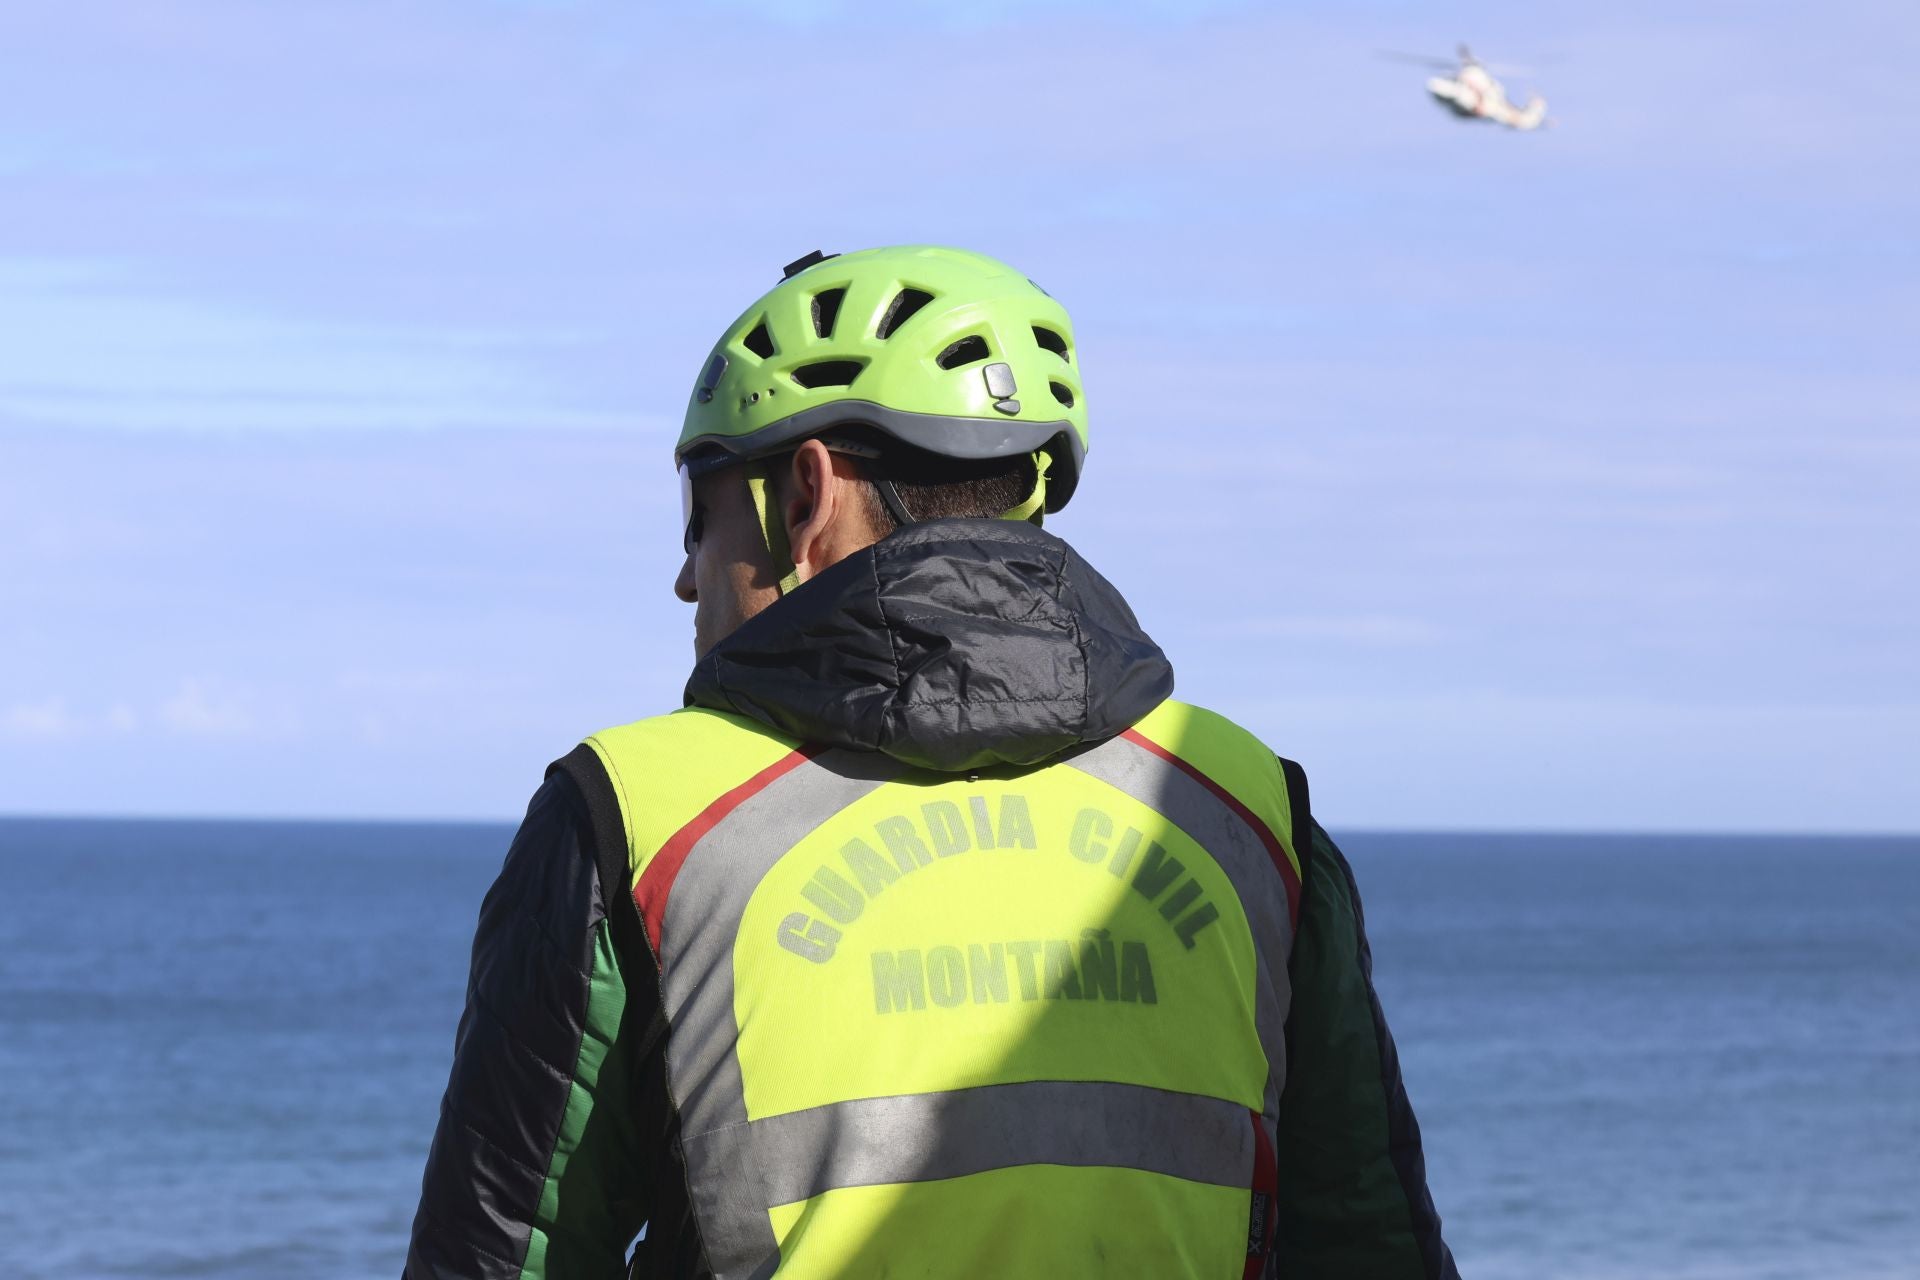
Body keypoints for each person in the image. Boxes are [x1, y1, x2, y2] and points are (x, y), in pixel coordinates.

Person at [405, 245, 1458, 1280]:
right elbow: (1369, 1238)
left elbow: (502, 1256)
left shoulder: (637, 815)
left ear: (805, 493)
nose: (688, 578)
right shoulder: (1243, 805)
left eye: (699, 512)